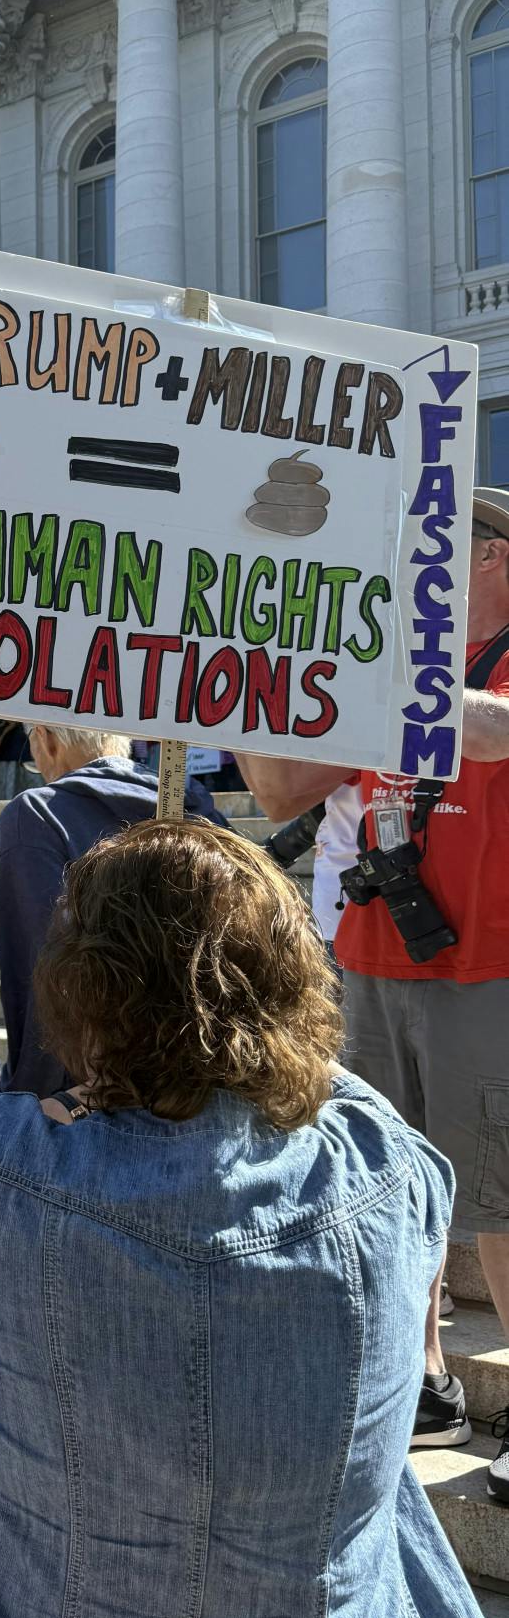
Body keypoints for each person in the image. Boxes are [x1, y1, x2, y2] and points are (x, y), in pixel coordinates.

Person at [0, 820, 509, 1618]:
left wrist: (89, 1095)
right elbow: (360, 1113)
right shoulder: (383, 1167)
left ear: (80, 991)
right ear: (292, 972)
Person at [235, 485, 509, 1490]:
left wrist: (376, 688)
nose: (413, 572)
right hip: (374, 957)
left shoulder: (470, 665)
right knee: (391, 1186)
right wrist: (259, 677)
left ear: (492, 557)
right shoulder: (390, 671)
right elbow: (277, 787)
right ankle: (424, 1373)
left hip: (488, 964)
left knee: (499, 1198)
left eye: (439, 551)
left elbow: (491, 733)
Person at [0, 725, 222, 1094]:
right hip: (206, 1074)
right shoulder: (200, 813)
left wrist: (31, 1099)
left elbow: (38, 971)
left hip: (89, 1092)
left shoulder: (37, 815)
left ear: (46, 739)